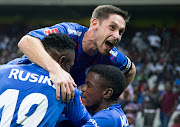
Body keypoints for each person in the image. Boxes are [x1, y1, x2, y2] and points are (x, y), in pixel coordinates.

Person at [8, 5, 136, 102]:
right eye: (112, 27)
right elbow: (26, 41)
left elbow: (131, 71)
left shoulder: (111, 56)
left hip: (48, 97)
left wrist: (110, 100)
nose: (117, 36)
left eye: (121, 32)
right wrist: (56, 71)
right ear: (95, 23)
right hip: (16, 79)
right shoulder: (70, 31)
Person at [0, 33, 90, 127]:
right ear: (62, 61)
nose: (69, 71)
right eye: (70, 66)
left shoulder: (2, 71)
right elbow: (88, 122)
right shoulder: (66, 88)